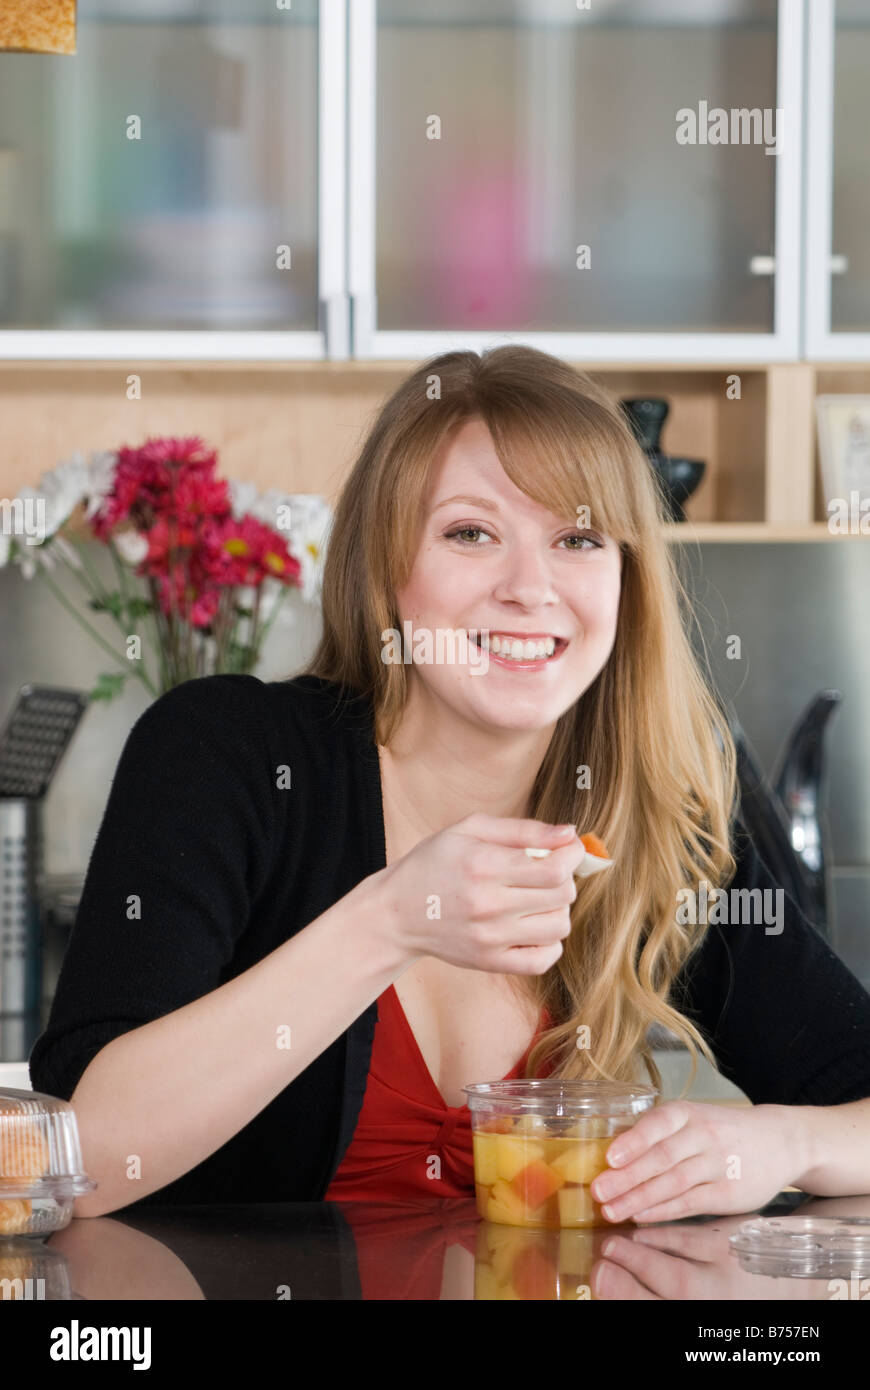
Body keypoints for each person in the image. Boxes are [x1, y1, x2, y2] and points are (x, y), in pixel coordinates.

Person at [29, 346, 870, 1224]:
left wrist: (781, 1142)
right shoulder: (228, 754)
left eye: (578, 539)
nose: (529, 589)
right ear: (387, 570)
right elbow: (85, 1158)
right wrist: (391, 920)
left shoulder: (662, 811)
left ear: (627, 581)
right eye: (471, 533)